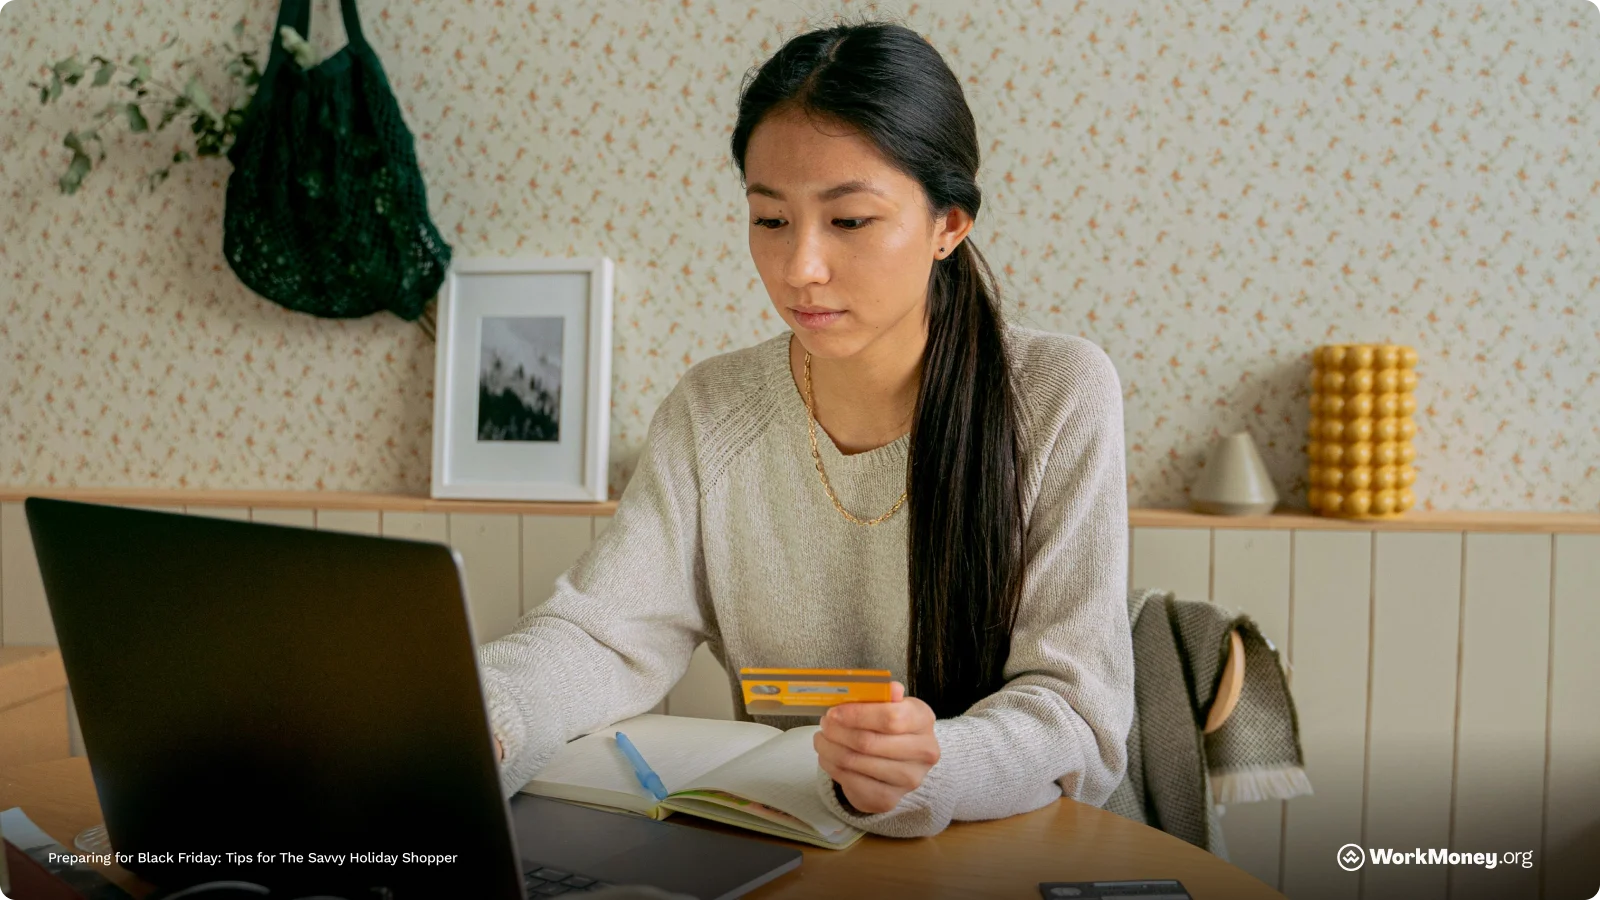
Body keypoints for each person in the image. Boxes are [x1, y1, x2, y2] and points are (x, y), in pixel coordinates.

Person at [478, 16, 1134, 841]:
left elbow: (1076, 711)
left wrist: (933, 763)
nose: (800, 269)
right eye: (771, 220)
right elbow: (605, 636)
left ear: (949, 225)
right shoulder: (712, 408)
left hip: (1016, 847)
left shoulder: (1057, 394)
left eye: (850, 221)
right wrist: (484, 715)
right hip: (800, 849)